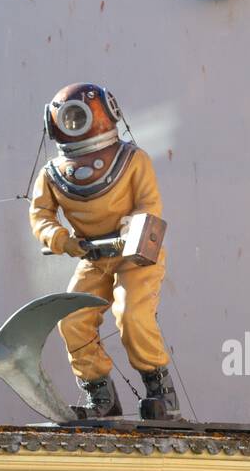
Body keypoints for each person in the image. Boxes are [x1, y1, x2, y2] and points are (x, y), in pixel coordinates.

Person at [29, 83, 179, 419]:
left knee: (132, 313)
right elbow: (40, 216)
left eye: (78, 116)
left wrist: (132, 229)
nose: (73, 122)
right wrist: (62, 240)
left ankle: (160, 392)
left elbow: (148, 204)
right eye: (67, 118)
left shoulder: (132, 160)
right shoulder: (53, 174)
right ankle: (100, 395)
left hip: (135, 256)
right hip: (93, 258)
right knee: (72, 317)